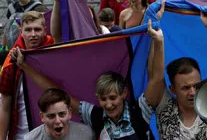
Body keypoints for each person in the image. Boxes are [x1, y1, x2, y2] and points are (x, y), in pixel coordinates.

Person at [12, 20, 164, 139]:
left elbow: (156, 79)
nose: (109, 104)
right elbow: (58, 93)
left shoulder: (139, 111)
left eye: (113, 97)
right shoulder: (95, 116)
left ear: (124, 93)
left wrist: (159, 42)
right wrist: (25, 67)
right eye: (103, 99)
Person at [144, 6, 207, 140]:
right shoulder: (164, 106)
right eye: (185, 88)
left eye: (196, 85)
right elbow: (155, 76)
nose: (192, 92)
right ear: (172, 89)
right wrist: (156, 35)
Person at [0, 11, 56, 139]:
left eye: (37, 29)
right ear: (21, 31)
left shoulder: (55, 55)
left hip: (53, 134)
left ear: (45, 30)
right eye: (28, 30)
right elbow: (5, 108)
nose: (33, 34)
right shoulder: (10, 64)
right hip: (21, 135)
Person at [27, 88, 93, 140]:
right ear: (42, 117)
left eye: (62, 114)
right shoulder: (30, 138)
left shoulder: (87, 134)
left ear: (69, 113)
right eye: (51, 116)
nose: (57, 121)